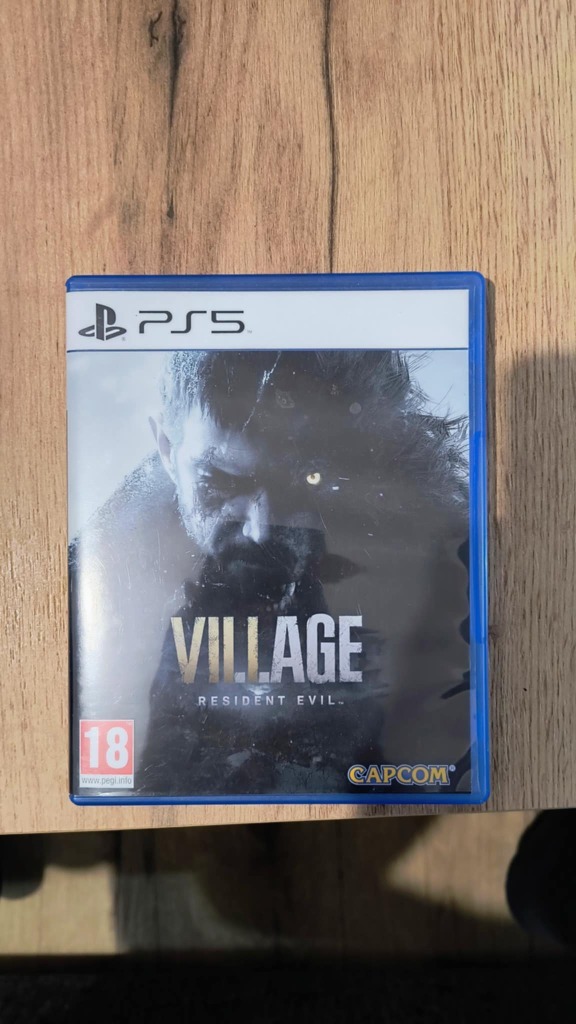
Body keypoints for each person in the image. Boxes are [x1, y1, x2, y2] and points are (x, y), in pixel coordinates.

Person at [70, 350, 471, 796]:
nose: (261, 528)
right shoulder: (104, 577)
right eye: (220, 480)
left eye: (303, 482)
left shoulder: (430, 545)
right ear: (166, 448)